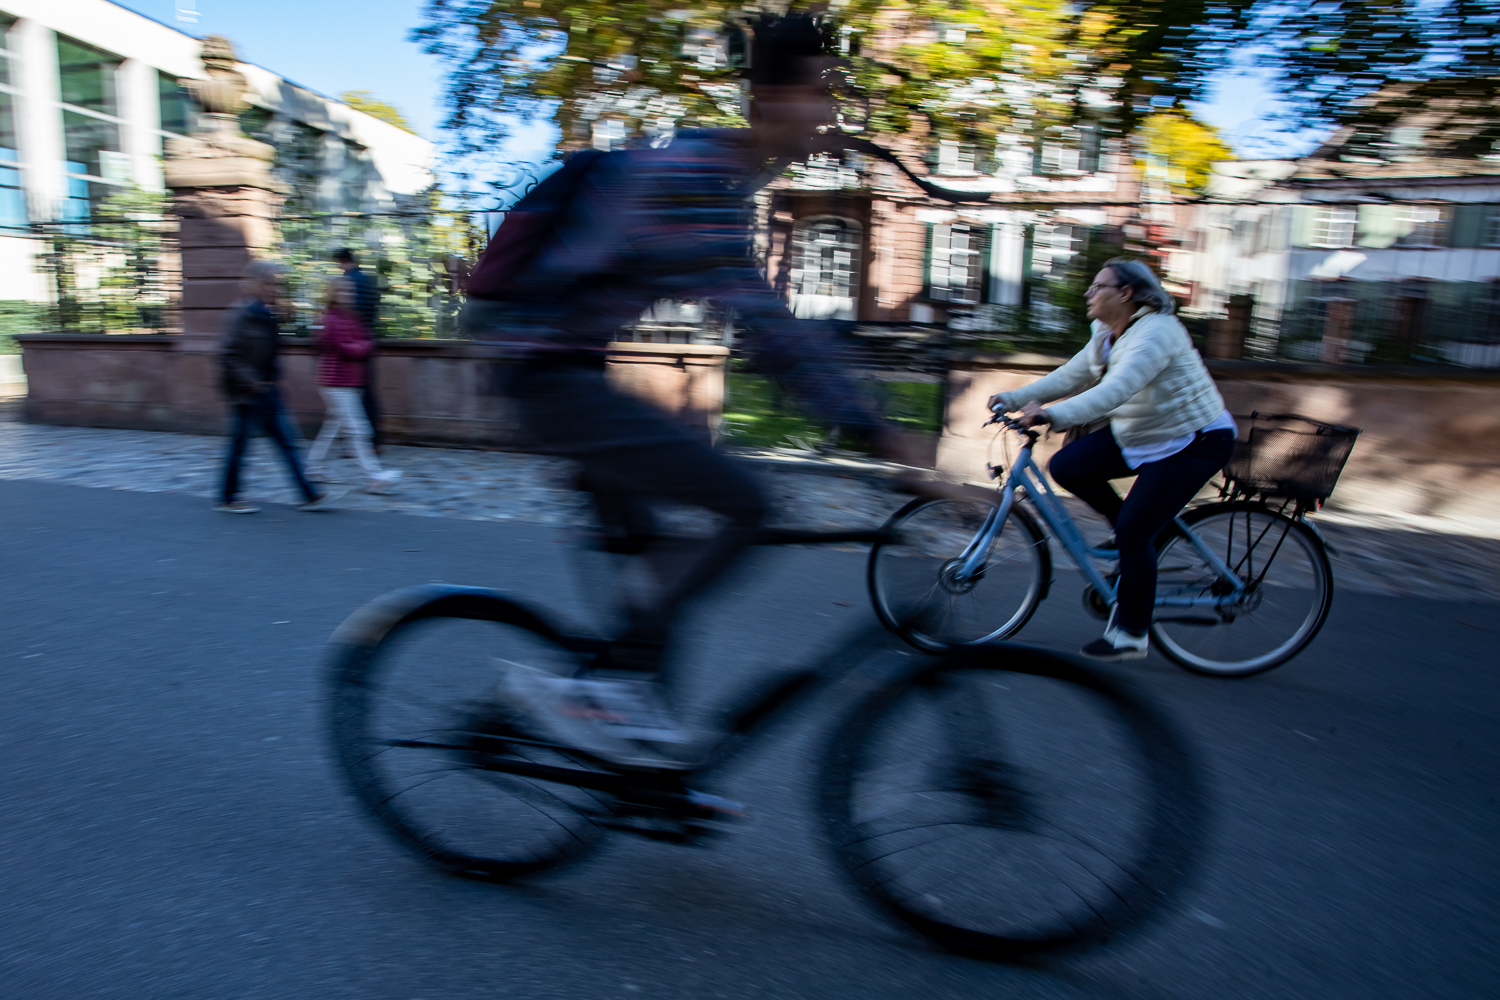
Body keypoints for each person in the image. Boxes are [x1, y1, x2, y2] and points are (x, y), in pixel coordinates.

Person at [465, 13, 924, 766]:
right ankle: (601, 697)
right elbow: (768, 329)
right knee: (747, 503)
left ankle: (644, 759)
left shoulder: (716, 176)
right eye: (820, 97)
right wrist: (879, 432)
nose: (833, 115)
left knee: (662, 561)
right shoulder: (690, 181)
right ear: (767, 100)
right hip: (544, 378)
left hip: (565, 375)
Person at [988, 257, 1237, 662]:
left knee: (1136, 530)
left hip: (1195, 440)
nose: (1089, 293)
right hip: (1146, 434)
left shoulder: (1157, 334)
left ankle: (1131, 633)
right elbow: (1074, 375)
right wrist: (1013, 398)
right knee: (1068, 466)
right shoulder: (1108, 331)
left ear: (1125, 294)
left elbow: (1116, 391)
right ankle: (1132, 537)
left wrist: (1055, 414)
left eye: (1098, 286)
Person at [216, 260, 343, 514]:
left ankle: (308, 495)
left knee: (287, 442)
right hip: (247, 392)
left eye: (277, 284)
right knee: (240, 446)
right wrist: (251, 381)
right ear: (257, 284)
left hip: (268, 389)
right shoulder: (242, 313)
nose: (276, 288)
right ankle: (228, 498)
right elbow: (228, 354)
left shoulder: (265, 311)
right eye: (271, 283)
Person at [305, 276, 403, 494]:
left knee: (333, 428)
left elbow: (365, 341)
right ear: (333, 293)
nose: (348, 294)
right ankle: (374, 476)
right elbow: (346, 348)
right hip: (335, 381)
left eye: (349, 290)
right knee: (358, 429)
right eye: (342, 291)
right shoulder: (330, 319)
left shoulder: (352, 317)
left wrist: (360, 345)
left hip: (350, 380)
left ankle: (314, 467)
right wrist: (362, 346)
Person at [333, 248, 383, 451]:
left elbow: (347, 314)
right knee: (367, 393)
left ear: (342, 261)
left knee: (354, 395)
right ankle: (373, 441)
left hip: (351, 345)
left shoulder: (346, 283)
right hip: (367, 343)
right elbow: (375, 305)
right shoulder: (368, 280)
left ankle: (360, 443)